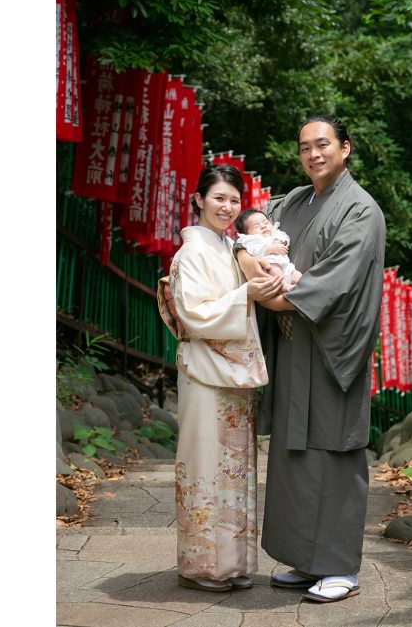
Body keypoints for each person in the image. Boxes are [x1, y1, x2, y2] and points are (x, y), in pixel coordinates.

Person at [236, 116, 386, 604]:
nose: (314, 154)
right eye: (305, 147)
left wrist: (273, 298)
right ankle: (305, 560)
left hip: (330, 346)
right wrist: (250, 265)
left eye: (323, 145)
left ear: (346, 147)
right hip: (291, 345)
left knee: (334, 451)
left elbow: (338, 279)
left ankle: (339, 565)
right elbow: (245, 237)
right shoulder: (294, 201)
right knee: (292, 453)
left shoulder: (361, 210)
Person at [155, 164, 284, 593]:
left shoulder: (229, 247)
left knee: (233, 468)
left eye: (234, 200)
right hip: (204, 371)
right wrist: (243, 295)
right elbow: (193, 311)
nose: (227, 207)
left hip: (230, 373)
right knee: (205, 467)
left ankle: (231, 564)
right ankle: (201, 567)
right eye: (218, 198)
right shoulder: (192, 252)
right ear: (198, 199)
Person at [234, 209, 302, 291]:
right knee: (275, 271)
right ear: (247, 233)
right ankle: (283, 286)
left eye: (266, 222)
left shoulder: (275, 233)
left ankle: (303, 286)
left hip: (286, 265)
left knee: (297, 275)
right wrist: (270, 249)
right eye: (256, 226)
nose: (263, 226)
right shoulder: (252, 240)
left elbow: (285, 237)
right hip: (270, 266)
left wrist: (279, 241)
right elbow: (255, 251)